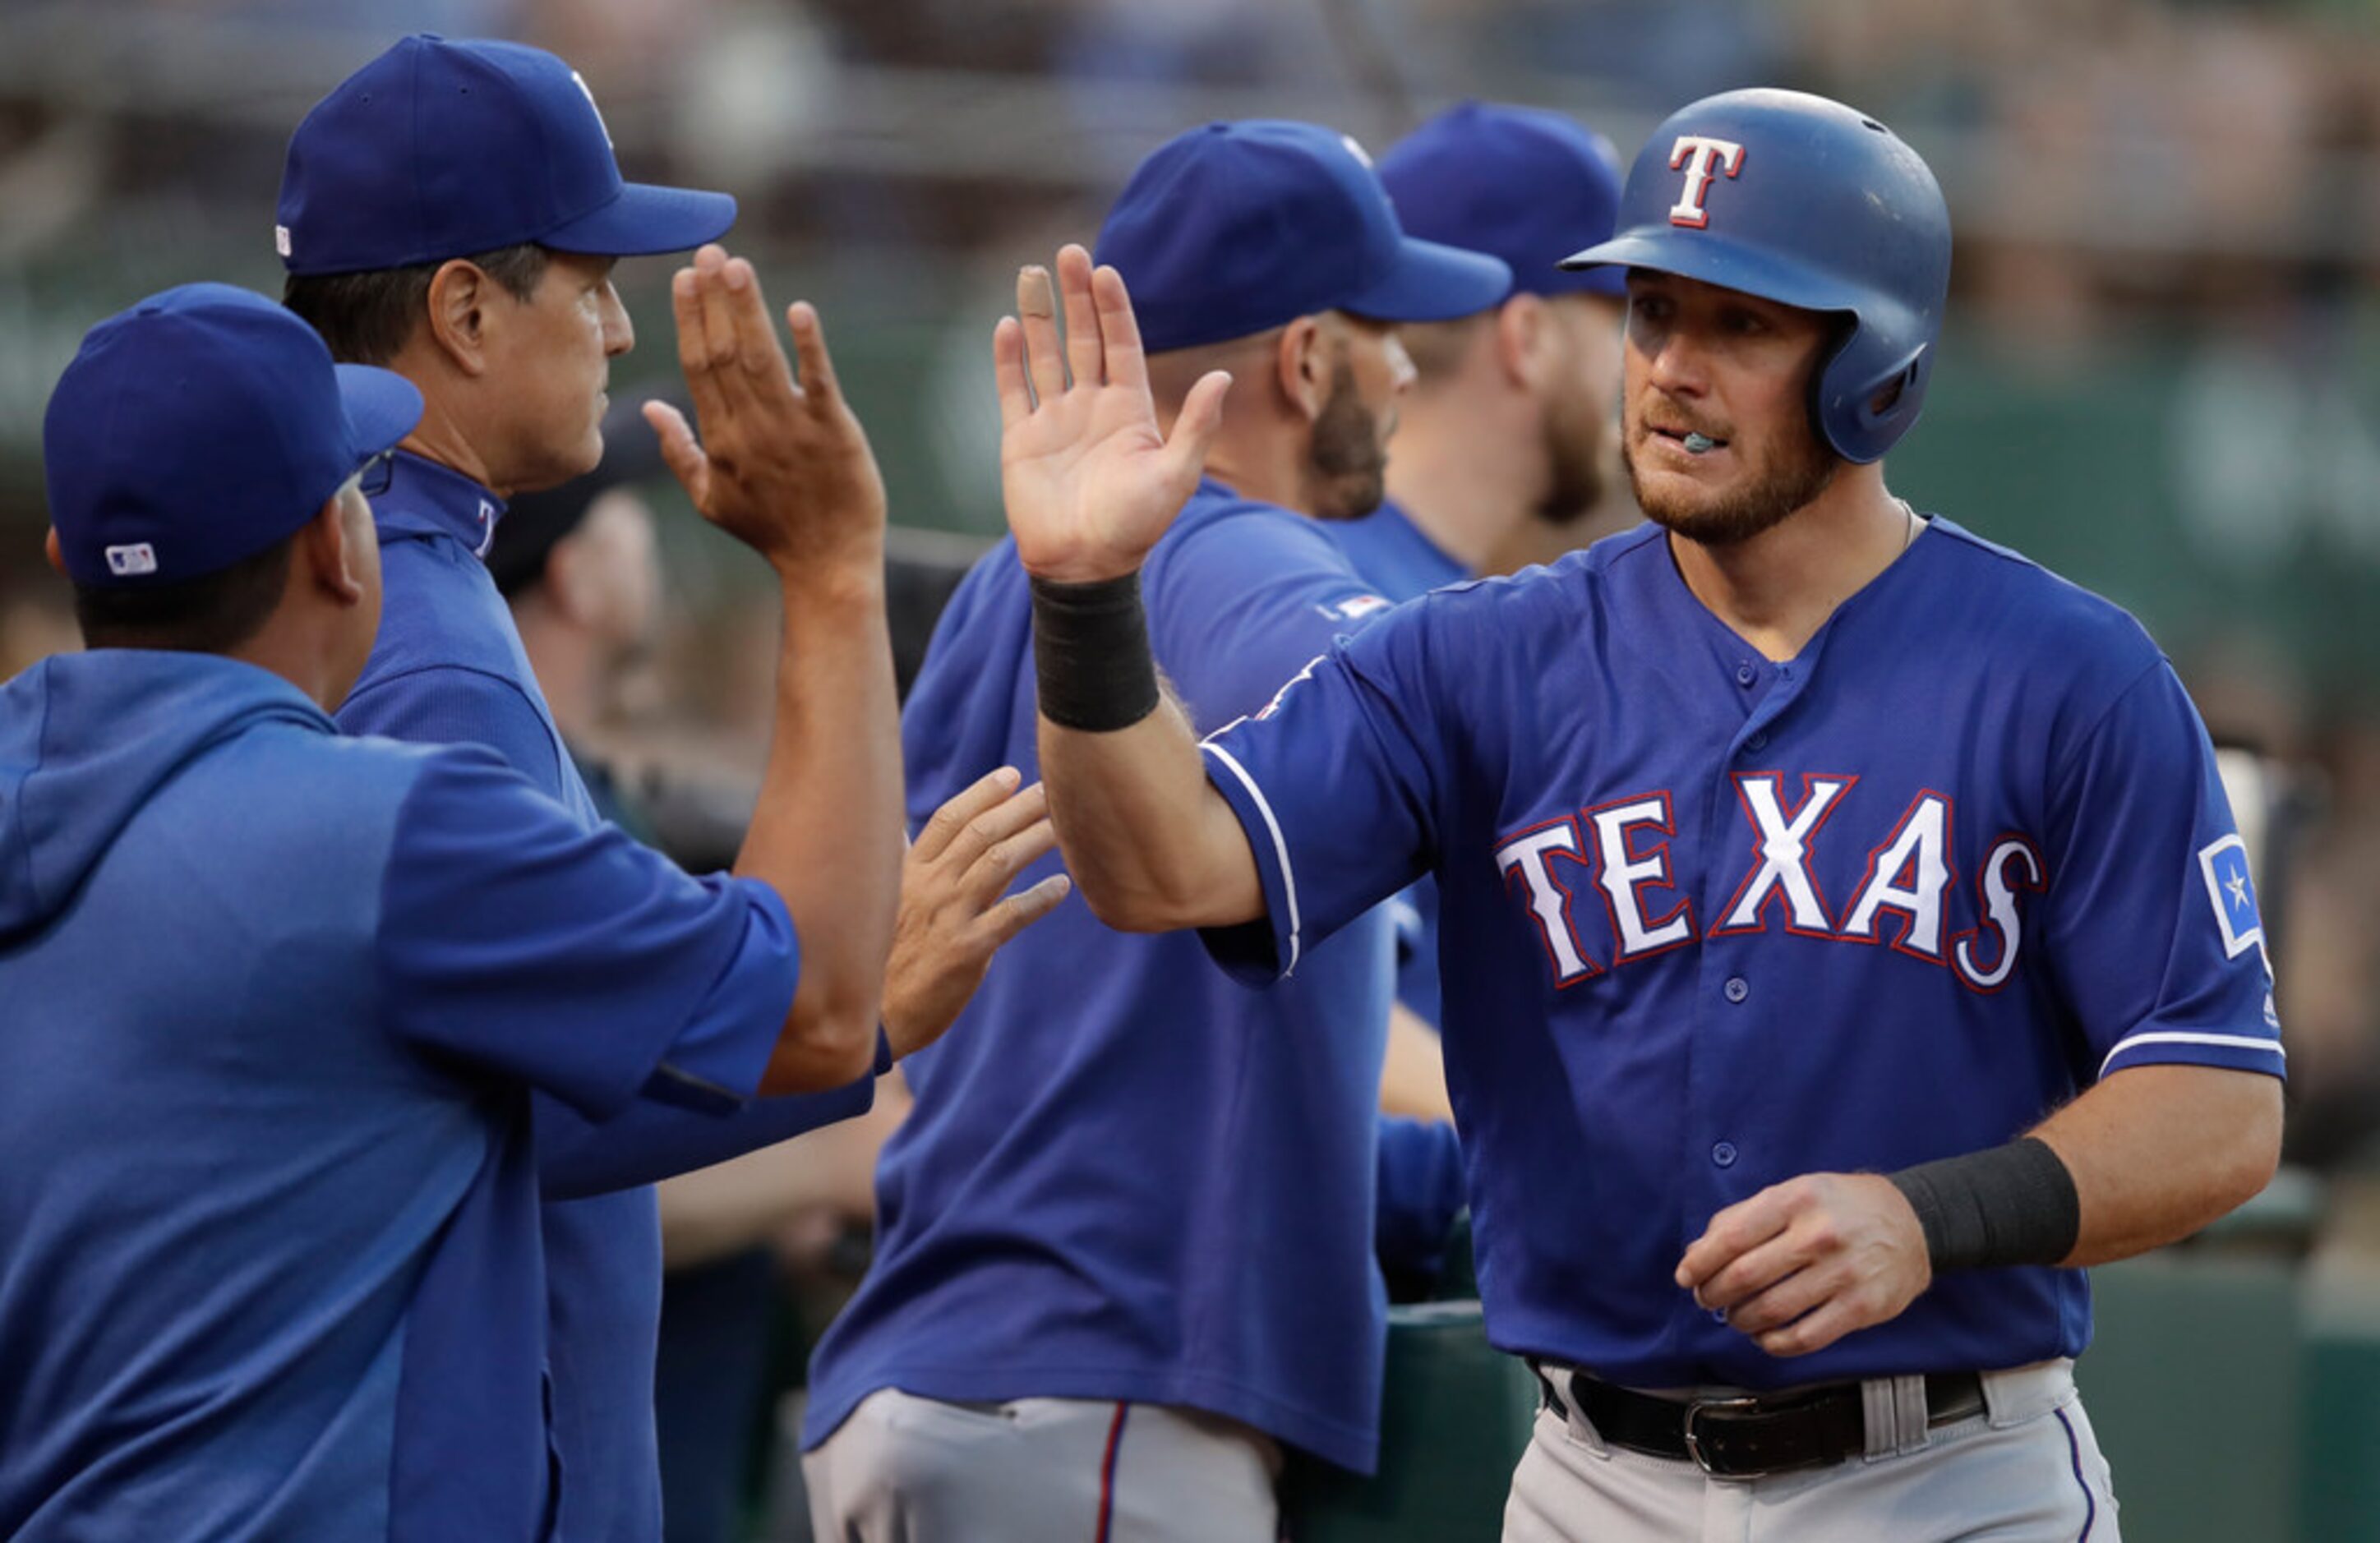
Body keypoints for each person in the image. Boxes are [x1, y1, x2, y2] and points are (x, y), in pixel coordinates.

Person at [994, 89, 2286, 1541]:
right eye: (1651, 313)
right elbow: (1159, 867)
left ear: (1875, 367)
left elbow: (2221, 1107)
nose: (1671, 369)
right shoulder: (1479, 659)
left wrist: (1933, 1217)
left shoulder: (2068, 674)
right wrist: (1089, 599)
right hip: (1592, 1477)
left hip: (1948, 1473)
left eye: (1741, 326)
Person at [274, 36, 1039, 1542]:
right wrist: (852, 1016)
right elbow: (489, 1121)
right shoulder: (426, 642)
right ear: (466, 309)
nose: (625, 334)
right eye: (592, 283)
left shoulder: (363, 568)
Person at [0, 282, 894, 1539]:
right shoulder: (392, 832)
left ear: (70, 562)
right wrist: (834, 570)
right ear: (337, 540)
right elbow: (816, 1003)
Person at [800, 120, 1498, 1541]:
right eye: (1385, 330)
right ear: (1306, 360)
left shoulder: (1009, 589)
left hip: (935, 1365)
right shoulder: (1256, 561)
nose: (1411, 366)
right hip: (1100, 1395)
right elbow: (1449, 741)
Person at [1335, 100, 1630, 1034]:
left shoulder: (1386, 582)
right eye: (1626, 312)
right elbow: (1327, 1033)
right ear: (1528, 336)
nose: (1650, 360)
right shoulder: (1346, 611)